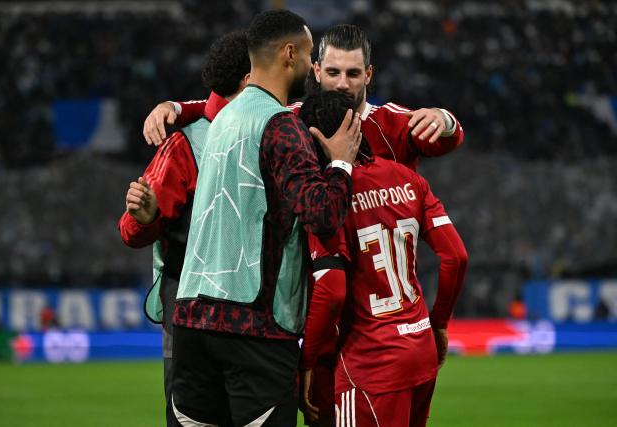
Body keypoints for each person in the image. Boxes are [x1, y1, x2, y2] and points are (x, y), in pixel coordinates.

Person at [171, 10, 362, 427]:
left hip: (190, 320)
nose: (314, 69)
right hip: (253, 328)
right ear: (289, 54)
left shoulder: (221, 121)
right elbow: (322, 214)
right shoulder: (280, 125)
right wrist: (342, 164)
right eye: (311, 55)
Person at [298, 90, 468, 427]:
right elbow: (456, 256)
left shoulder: (329, 199)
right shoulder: (408, 178)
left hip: (369, 364)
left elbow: (331, 290)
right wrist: (439, 323)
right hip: (420, 350)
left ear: (312, 137)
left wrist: (305, 361)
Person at [118, 31, 250, 427]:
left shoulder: (271, 129)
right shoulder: (186, 145)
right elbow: (131, 228)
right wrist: (145, 219)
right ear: (249, 80)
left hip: (239, 311)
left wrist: (176, 105)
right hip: (196, 312)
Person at [143, 24, 464, 174]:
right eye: (333, 72)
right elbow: (234, 110)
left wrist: (444, 119)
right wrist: (175, 108)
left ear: (368, 75)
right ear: (317, 71)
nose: (341, 84)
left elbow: (446, 140)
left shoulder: (392, 121)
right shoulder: (293, 116)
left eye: (352, 74)